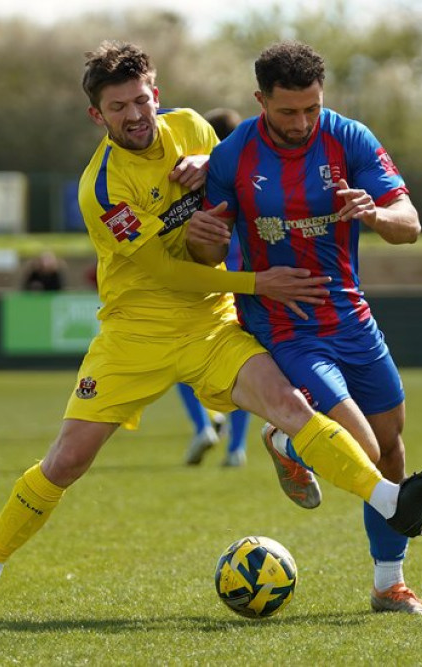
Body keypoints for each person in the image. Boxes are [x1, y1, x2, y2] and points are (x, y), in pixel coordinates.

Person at [0, 41, 422, 618]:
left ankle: (384, 501)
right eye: (118, 106)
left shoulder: (196, 131)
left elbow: (226, 195)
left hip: (211, 325)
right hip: (136, 333)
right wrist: (255, 282)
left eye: (141, 99)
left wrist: (212, 175)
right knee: (66, 462)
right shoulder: (101, 187)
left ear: (156, 93)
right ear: (96, 115)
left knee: (290, 407)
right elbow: (165, 272)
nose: (134, 114)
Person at [187, 41, 422, 615]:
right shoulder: (232, 158)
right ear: (260, 101)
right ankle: (290, 434)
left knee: (392, 452)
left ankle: (389, 585)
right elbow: (204, 256)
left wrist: (376, 214)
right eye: (287, 112)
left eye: (311, 108)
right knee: (362, 443)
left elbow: (411, 226)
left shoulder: (349, 138)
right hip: (285, 325)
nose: (302, 123)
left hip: (351, 317)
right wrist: (200, 242)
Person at [180, 107, 250, 468]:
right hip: (246, 282)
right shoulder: (249, 176)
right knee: (246, 367)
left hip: (205, 282)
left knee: (180, 362)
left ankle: (203, 424)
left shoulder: (195, 177)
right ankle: (237, 448)